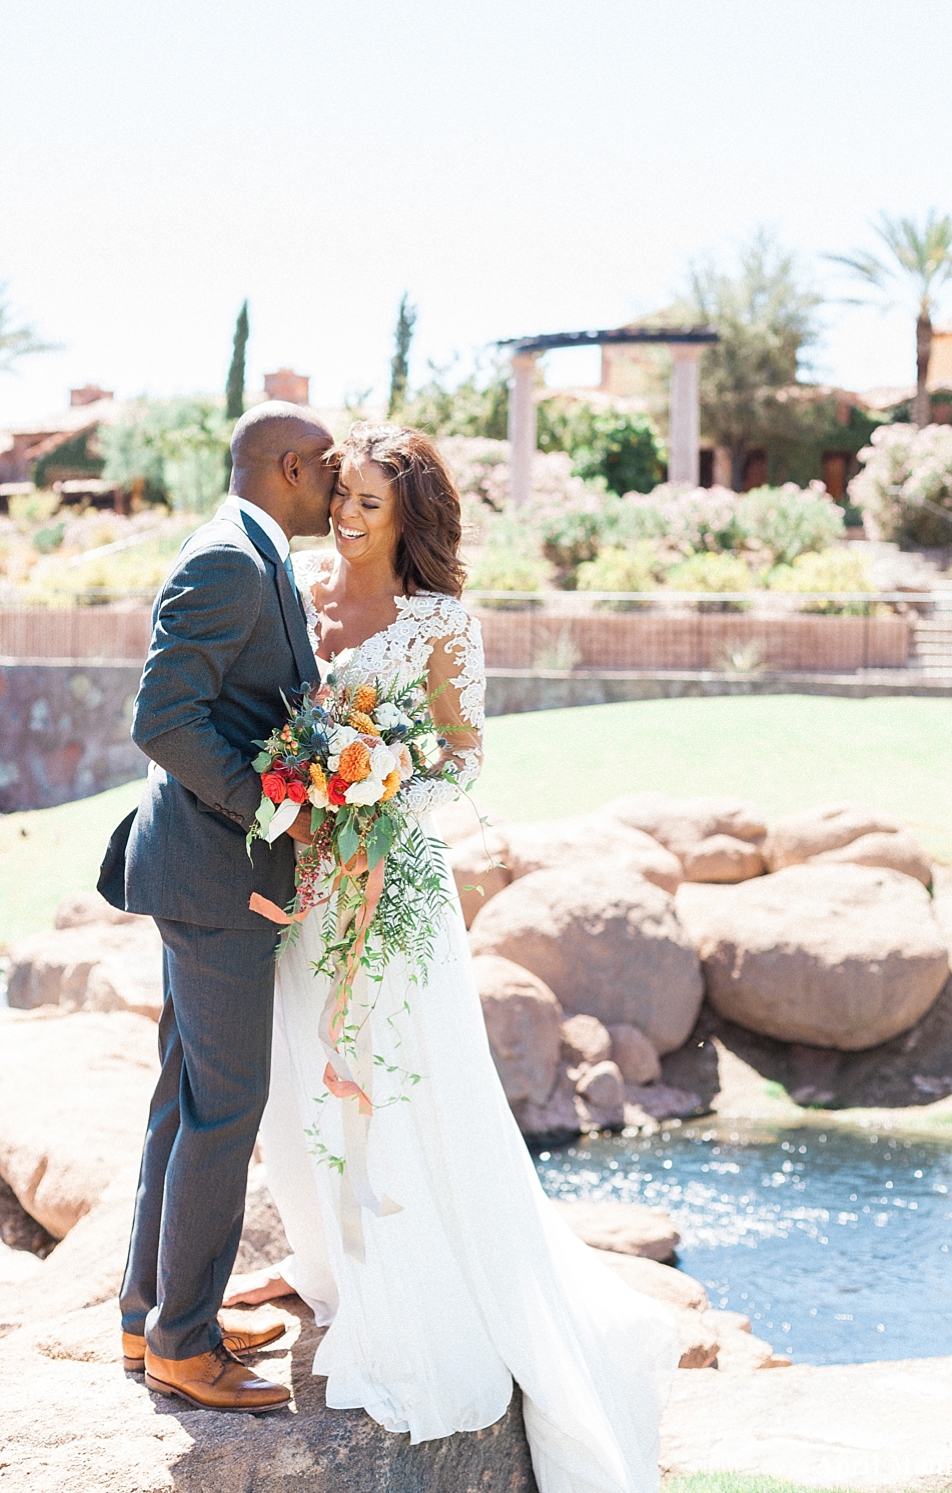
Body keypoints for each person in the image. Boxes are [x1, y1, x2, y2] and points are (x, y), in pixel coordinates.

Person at [222, 423, 680, 1490]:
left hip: (392, 891)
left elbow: (462, 756)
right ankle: (331, 1260)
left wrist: (370, 796)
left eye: (369, 502)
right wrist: (308, 800)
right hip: (306, 893)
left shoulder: (440, 622)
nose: (345, 515)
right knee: (304, 1079)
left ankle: (414, 1288)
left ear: (408, 515)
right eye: (340, 494)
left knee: (401, 1079)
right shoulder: (290, 591)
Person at [98, 401, 339, 1412]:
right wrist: (273, 811)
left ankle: (149, 1310)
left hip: (198, 874)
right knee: (222, 1107)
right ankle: (185, 1346)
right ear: (292, 465)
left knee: (183, 1096)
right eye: (330, 470)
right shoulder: (232, 559)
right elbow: (163, 718)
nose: (339, 487)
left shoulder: (250, 547)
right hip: (217, 878)